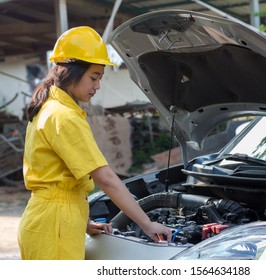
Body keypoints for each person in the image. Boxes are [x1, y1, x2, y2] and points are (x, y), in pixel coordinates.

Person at [17, 26, 172, 260]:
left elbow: (57, 178)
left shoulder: (48, 107)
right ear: (71, 72)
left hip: (48, 221)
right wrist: (147, 224)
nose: (97, 87)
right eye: (94, 77)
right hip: (54, 226)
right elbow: (106, 179)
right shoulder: (63, 115)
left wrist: (84, 222)